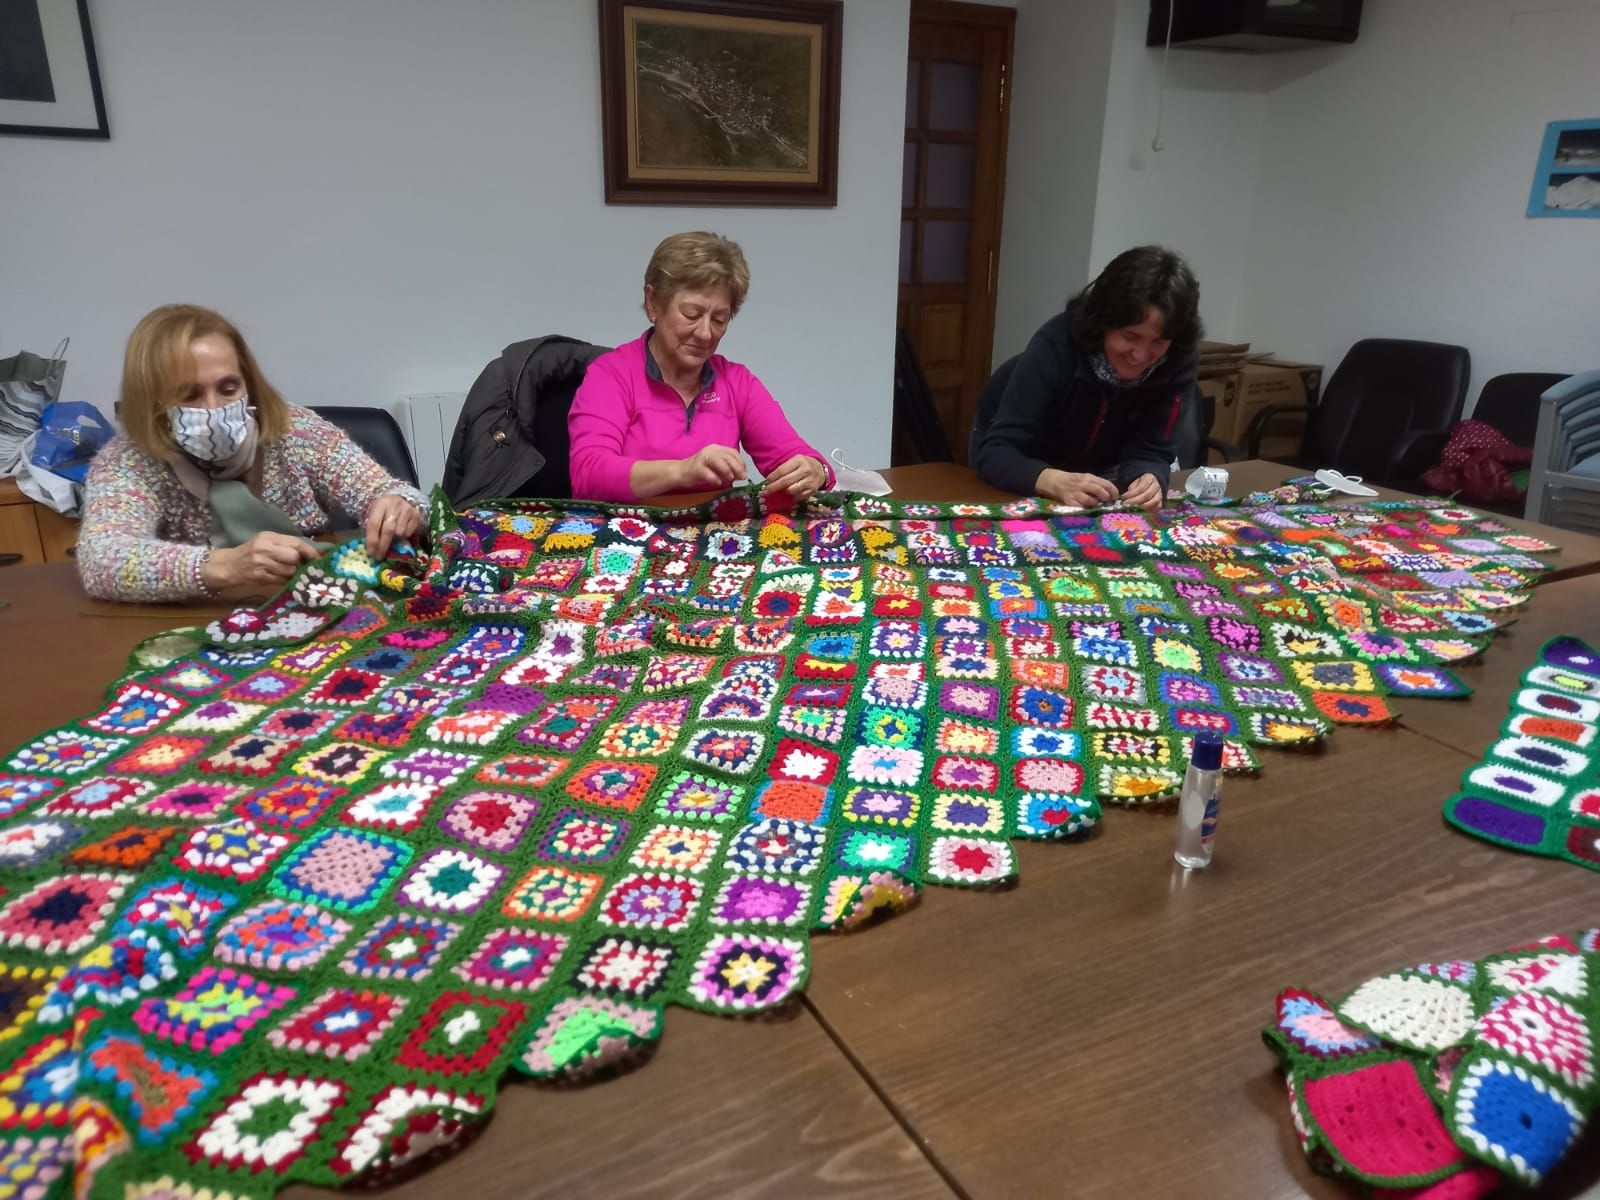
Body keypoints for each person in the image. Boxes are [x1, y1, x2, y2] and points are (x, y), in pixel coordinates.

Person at [77, 305, 427, 602]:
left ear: (249, 382)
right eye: (188, 395)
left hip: (314, 607)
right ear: (151, 400)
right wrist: (223, 566)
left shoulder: (296, 431)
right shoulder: (128, 461)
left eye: (228, 388)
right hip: (196, 628)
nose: (213, 409)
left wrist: (399, 504)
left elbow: (401, 495)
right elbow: (102, 560)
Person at [567, 231, 833, 503]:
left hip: (715, 539)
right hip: (622, 539)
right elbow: (588, 474)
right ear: (653, 302)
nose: (705, 333)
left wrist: (816, 470)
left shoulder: (736, 382)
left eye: (719, 319)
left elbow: (793, 456)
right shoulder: (611, 375)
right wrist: (683, 470)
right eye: (691, 315)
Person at [971, 245, 1202, 514]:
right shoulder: (1055, 344)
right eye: (1130, 337)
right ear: (1104, 321)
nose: (1140, 356)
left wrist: (1149, 477)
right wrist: (1052, 480)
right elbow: (996, 453)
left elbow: (1151, 450)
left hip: (1102, 467)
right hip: (1026, 456)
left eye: (1158, 342)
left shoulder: (1179, 359)